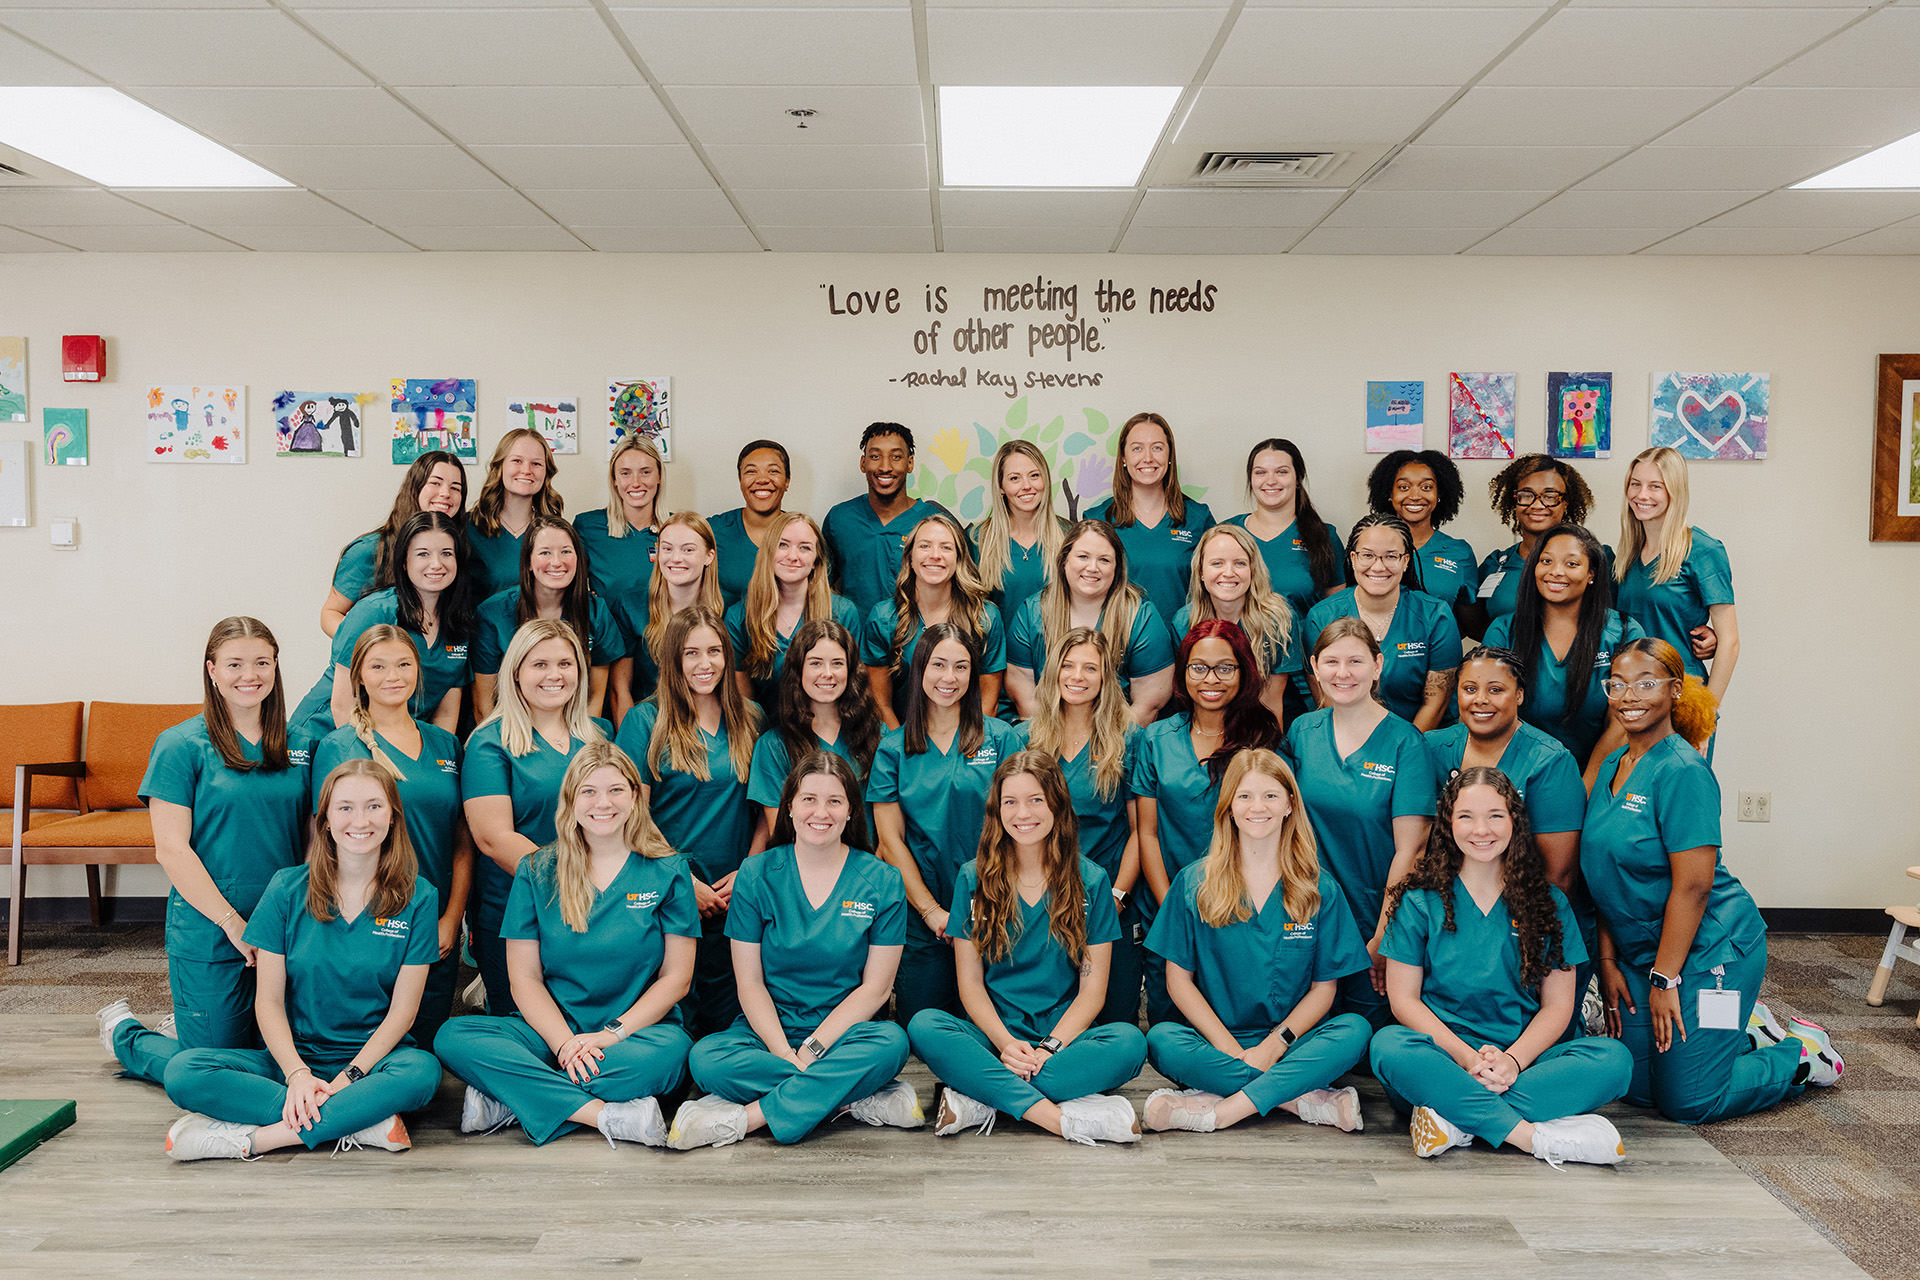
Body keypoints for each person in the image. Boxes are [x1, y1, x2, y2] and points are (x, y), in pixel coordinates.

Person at [1587, 639, 1835, 1124]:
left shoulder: (1683, 771)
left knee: (1689, 1102)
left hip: (1707, 955)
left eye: (1646, 683)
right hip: (1640, 953)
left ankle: (1801, 1055)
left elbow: (1694, 887)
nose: (1628, 695)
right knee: (1637, 1090)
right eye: (1617, 684)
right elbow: (1602, 875)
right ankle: (1739, 1035)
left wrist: (1665, 979)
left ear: (1676, 690)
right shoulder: (1615, 766)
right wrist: (1608, 959)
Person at [158, 758, 442, 1161]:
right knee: (184, 1072)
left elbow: (403, 1014)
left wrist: (347, 1080)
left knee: (423, 1074)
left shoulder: (420, 897)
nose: (360, 820)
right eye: (344, 807)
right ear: (324, 820)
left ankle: (257, 1139)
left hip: (373, 1064)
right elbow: (268, 1001)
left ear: (393, 818)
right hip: (295, 1058)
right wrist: (298, 1075)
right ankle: (362, 1121)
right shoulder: (287, 889)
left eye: (374, 806)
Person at [434, 744, 698, 1148]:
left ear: (635, 797)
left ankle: (513, 1097)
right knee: (454, 1035)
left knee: (672, 1055)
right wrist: (564, 1045)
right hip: (551, 1033)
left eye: (615, 790)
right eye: (588, 792)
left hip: (634, 1036)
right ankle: (603, 1114)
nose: (602, 803)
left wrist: (609, 1035)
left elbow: (676, 979)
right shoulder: (537, 869)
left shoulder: (668, 869)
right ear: (571, 801)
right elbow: (524, 980)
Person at [1370, 768, 1633, 1166]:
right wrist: (1469, 1060)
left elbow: (1558, 1008)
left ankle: (1455, 1121)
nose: (1481, 829)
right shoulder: (1420, 900)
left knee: (1614, 1061)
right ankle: (1531, 1137)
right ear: (1447, 822)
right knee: (1388, 1047)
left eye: (1495, 815)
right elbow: (1403, 1001)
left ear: (1515, 821)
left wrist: (1511, 1062)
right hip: (1443, 1058)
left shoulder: (1548, 903)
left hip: (1522, 1061)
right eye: (1466, 816)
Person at [99, 618, 315, 1087]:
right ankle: (127, 1035)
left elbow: (311, 837)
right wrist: (234, 924)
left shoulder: (300, 744)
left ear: (276, 667)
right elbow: (171, 851)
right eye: (234, 664)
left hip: (284, 921)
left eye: (261, 662)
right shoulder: (180, 745)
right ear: (212, 670)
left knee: (291, 1059)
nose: (249, 675)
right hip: (212, 925)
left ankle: (193, 1028)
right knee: (213, 1069)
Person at [669, 753, 922, 1149]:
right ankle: (855, 1098)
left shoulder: (882, 880)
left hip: (844, 1036)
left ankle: (745, 1118)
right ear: (789, 807)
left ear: (852, 811)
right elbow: (749, 983)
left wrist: (814, 1048)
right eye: (808, 799)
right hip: (767, 1033)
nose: (820, 812)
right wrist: (785, 1052)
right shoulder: (756, 874)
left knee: (892, 1042)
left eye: (835, 801)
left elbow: (875, 990)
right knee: (706, 1058)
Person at [909, 752, 1146, 1145]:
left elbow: (1093, 991)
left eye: (1036, 799)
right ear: (996, 810)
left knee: (1130, 1042)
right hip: (995, 1035)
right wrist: (1005, 1045)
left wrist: (1048, 1049)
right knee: (924, 1026)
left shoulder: (1092, 880)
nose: (1024, 813)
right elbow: (969, 986)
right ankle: (1058, 1115)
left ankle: (983, 1098)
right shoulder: (973, 878)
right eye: (1011, 802)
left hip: (1062, 1039)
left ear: (1057, 803)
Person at [1142, 748, 1372, 1135]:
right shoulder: (1194, 883)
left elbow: (1324, 989)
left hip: (1291, 1044)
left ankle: (1218, 1108)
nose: (1257, 807)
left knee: (1354, 1030)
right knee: (1163, 1039)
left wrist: (1273, 1046)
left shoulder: (1318, 889)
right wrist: (1232, 1050)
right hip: (1217, 1043)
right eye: (1245, 796)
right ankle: (1297, 1099)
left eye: (1270, 796)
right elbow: (1177, 981)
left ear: (1289, 805)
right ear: (1229, 807)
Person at [312, 626, 473, 1049]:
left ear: (418, 671)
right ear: (358, 677)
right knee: (361, 1042)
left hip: (431, 917)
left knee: (423, 1046)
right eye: (378, 666)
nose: (393, 676)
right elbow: (322, 843)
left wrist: (452, 917)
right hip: (365, 919)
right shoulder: (339, 747)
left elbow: (461, 840)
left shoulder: (445, 746)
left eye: (404, 664)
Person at [614, 606, 766, 1039]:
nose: (705, 664)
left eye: (715, 651)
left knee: (726, 1022)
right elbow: (630, 813)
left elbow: (765, 811)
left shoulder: (751, 719)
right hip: (667, 893)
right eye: (691, 653)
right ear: (672, 660)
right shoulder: (645, 720)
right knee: (673, 1021)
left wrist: (749, 874)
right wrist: (680, 879)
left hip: (735, 893)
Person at [1286, 619, 1437, 1030]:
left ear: (1377, 665)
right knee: (1305, 1033)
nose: (1343, 673)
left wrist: (1384, 935)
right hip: (1306, 916)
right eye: (1331, 662)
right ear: (1314, 667)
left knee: (1364, 1044)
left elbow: (1412, 850)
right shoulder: (1302, 731)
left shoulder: (1406, 743)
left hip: (1373, 921)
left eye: (1355, 661)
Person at [869, 624, 1023, 1024]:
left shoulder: (1001, 739)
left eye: (961, 667)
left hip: (995, 904)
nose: (949, 678)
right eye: (938, 665)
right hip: (924, 915)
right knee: (924, 1027)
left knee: (995, 1026)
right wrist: (932, 911)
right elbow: (890, 841)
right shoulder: (893, 749)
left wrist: (991, 896)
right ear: (920, 669)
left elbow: (1022, 824)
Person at [1130, 620, 1281, 1024]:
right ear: (1182, 673)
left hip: (1243, 908)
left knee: (1238, 1020)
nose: (1210, 679)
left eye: (1224, 668)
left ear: (1243, 672)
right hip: (1169, 907)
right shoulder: (1156, 739)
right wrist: (1172, 910)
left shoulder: (1262, 739)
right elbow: (1146, 832)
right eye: (1198, 668)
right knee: (1171, 1032)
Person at [1425, 647, 1588, 1007]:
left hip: (1520, 923)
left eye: (1495, 690)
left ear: (1519, 695)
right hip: (1444, 920)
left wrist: (1510, 935)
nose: (1480, 700)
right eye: (1469, 689)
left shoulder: (1549, 761)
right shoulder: (1432, 749)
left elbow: (1558, 875)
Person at [464, 620, 608, 1017]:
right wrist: (578, 882)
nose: (554, 675)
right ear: (515, 672)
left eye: (565, 663)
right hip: (518, 911)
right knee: (524, 1028)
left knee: (581, 1021)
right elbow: (494, 838)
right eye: (539, 664)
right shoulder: (489, 742)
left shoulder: (600, 736)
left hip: (594, 911)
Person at [1017, 630, 1144, 1026]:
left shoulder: (1127, 738)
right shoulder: (1025, 737)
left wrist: (1118, 894)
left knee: (1115, 1022)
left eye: (1091, 668)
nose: (1078, 676)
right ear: (1053, 672)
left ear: (1106, 677)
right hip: (1043, 897)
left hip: (1108, 897)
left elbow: (1142, 830)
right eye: (1069, 666)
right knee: (1046, 1014)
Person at [290, 511, 478, 739]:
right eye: (423, 554)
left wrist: (435, 761)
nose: (436, 564)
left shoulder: (458, 622)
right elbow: (342, 703)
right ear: (404, 563)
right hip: (332, 732)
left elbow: (446, 713)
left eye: (446, 553)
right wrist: (372, 757)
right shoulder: (374, 611)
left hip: (394, 739)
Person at [1484, 523, 1645, 776]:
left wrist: (1585, 789)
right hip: (1517, 777)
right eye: (1546, 561)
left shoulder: (1623, 632)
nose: (1556, 572)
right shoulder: (1504, 631)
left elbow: (1624, 722)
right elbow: (1489, 715)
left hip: (1600, 777)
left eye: (1571, 564)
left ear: (1591, 573)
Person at [1004, 519, 1174, 725]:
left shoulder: (1139, 616)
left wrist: (1107, 749)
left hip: (1117, 739)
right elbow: (1026, 699)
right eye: (1083, 556)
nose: (1092, 567)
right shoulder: (1032, 613)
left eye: (1104, 560)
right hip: (1046, 735)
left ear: (1117, 567)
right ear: (1064, 560)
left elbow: (1148, 704)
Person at [1302, 513, 1462, 731]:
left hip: (1420, 742)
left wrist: (1404, 749)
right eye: (1368, 555)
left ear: (1405, 561)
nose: (1378, 567)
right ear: (1353, 558)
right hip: (1348, 740)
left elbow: (1436, 704)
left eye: (1391, 556)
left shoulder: (1435, 616)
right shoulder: (1322, 617)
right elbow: (1328, 700)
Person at [1615, 447, 1740, 710]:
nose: (1642, 495)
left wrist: (1705, 714)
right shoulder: (1628, 554)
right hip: (1631, 697)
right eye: (1635, 484)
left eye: (1655, 486)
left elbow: (1729, 641)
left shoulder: (1703, 551)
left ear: (1675, 492)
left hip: (1682, 696)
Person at [861, 512, 1007, 727]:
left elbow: (987, 704)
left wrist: (961, 751)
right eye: (925, 546)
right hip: (903, 742)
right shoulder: (884, 618)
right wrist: (902, 749)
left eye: (946, 547)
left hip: (965, 743)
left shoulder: (984, 618)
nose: (935, 555)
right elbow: (880, 704)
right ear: (910, 558)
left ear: (959, 559)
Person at [473, 516, 625, 722]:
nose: (556, 562)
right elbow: (485, 706)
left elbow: (594, 698)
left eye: (566, 552)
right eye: (545, 552)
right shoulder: (494, 613)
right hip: (511, 729)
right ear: (528, 561)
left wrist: (578, 746)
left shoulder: (596, 613)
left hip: (574, 728)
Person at [748, 619, 884, 844]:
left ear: (851, 670)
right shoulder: (773, 747)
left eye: (838, 663)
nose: (828, 673)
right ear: (798, 670)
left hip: (867, 869)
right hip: (805, 869)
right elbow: (781, 833)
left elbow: (889, 828)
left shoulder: (878, 735)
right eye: (816, 663)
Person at [726, 511, 863, 718]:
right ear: (768, 552)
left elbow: (853, 689)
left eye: (805, 548)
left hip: (826, 732)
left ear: (817, 560)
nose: (792, 556)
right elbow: (745, 704)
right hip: (765, 736)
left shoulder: (843, 613)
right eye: (783, 545)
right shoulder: (740, 616)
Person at [1084, 412, 1214, 624]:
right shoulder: (1098, 520)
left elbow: (1216, 590)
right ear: (1124, 458)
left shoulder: (1198, 518)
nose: (1148, 458)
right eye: (1137, 448)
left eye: (1157, 447)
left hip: (1185, 646)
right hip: (1116, 645)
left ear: (1170, 456)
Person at [320, 451, 465, 637]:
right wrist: (369, 652)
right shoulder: (370, 550)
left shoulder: (459, 550)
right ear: (415, 487)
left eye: (456, 488)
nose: (445, 493)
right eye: (435, 483)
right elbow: (330, 613)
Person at [1171, 524, 1299, 725]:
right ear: (1201, 572)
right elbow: (1189, 698)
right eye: (1217, 563)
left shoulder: (1278, 619)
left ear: (1252, 570)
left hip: (1259, 722)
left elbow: (1271, 702)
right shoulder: (1184, 622)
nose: (1228, 573)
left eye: (1239, 563)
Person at [824, 422, 952, 617]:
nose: (885, 467)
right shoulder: (839, 519)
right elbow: (817, 585)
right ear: (863, 463)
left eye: (896, 457)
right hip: (854, 641)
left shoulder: (934, 523)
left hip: (917, 641)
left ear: (910, 463)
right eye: (875, 456)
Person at [609, 512, 724, 725]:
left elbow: (736, 692)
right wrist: (633, 740)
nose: (676, 558)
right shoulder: (631, 606)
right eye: (667, 549)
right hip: (650, 724)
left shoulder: (727, 612)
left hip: (709, 725)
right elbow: (620, 690)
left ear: (709, 556)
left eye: (688, 549)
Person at [1225, 438, 1342, 625]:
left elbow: (1338, 612)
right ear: (1251, 479)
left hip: (1304, 650)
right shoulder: (1227, 534)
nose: (1270, 481)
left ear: (1298, 478)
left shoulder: (1324, 536)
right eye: (1260, 472)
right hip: (1237, 650)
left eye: (1281, 472)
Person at [1477, 454, 1598, 627]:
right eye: (1526, 495)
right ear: (1514, 502)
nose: (1537, 505)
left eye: (1550, 496)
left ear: (1566, 503)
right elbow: (1477, 625)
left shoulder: (1594, 560)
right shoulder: (1494, 564)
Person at [1367, 449, 1478, 625]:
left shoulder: (1459, 553)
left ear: (1439, 494)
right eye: (1404, 487)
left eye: (1426, 487)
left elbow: (1469, 624)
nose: (1415, 496)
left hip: (1438, 651)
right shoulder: (1367, 547)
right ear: (1390, 493)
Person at [969, 439, 1067, 620]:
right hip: (998, 647)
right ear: (1001, 487)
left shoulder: (1069, 535)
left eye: (1034, 475)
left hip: (1057, 647)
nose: (1027, 486)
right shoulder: (978, 539)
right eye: (1015, 478)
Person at [467, 428, 564, 598]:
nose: (526, 470)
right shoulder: (469, 528)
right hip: (484, 624)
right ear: (500, 466)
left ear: (546, 472)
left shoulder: (556, 531)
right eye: (517, 461)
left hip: (544, 624)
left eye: (536, 463)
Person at [574, 435, 664, 605]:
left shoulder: (678, 529)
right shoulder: (587, 527)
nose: (635, 482)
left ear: (659, 476)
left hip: (668, 631)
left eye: (645, 472)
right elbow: (569, 589)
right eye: (625, 473)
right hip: (606, 631)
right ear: (614, 479)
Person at [709, 439, 793, 608]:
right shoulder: (712, 531)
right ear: (740, 480)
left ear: (787, 481)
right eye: (751, 471)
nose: (762, 479)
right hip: (725, 634)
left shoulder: (803, 534)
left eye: (773, 471)